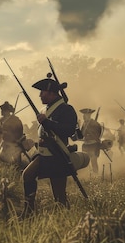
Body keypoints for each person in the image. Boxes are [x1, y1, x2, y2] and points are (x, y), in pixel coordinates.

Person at [21, 78, 81, 216]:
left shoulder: (66, 109)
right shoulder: (45, 109)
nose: (40, 95)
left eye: (43, 92)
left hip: (57, 153)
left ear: (51, 93)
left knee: (59, 195)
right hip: (43, 152)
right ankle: (28, 212)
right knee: (28, 175)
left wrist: (48, 122)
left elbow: (68, 130)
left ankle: (65, 218)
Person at [0, 101, 25, 166]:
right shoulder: (1, 120)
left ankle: (17, 168)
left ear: (7, 111)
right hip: (7, 142)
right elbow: (0, 132)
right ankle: (13, 165)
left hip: (15, 142)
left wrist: (7, 132)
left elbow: (19, 130)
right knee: (2, 157)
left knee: (17, 161)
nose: (1, 112)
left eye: (3, 110)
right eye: (2, 110)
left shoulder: (15, 119)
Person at [79, 108, 102, 173]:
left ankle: (96, 175)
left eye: (85, 115)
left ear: (89, 115)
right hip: (86, 145)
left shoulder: (94, 123)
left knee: (93, 161)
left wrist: (91, 137)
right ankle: (89, 175)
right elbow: (82, 133)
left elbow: (98, 133)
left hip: (93, 145)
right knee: (86, 161)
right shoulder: (84, 123)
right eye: (83, 115)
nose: (83, 116)